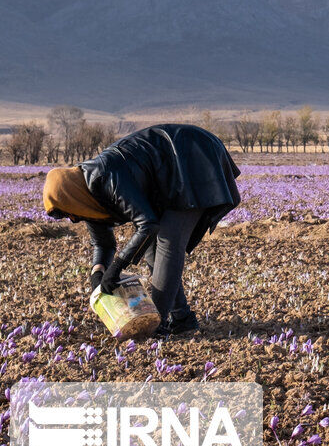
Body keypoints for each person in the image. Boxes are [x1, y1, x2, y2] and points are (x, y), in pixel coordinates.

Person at [42, 123, 241, 338]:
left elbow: (147, 224)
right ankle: (182, 319)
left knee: (167, 241)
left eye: (66, 212)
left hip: (191, 157)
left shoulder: (105, 177)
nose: (71, 219)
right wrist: (98, 272)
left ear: (69, 197)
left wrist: (117, 267)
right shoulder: (83, 199)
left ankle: (158, 324)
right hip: (171, 172)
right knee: (151, 250)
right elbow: (103, 243)